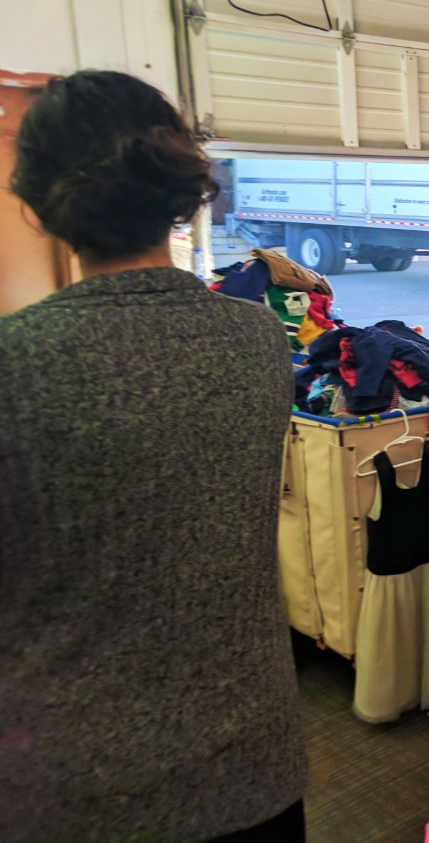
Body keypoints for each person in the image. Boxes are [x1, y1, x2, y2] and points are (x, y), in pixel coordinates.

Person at [0, 71, 307, 842]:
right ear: (180, 188)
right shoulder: (258, 339)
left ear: (37, 202)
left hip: (80, 789)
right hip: (254, 754)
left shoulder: (18, 361)